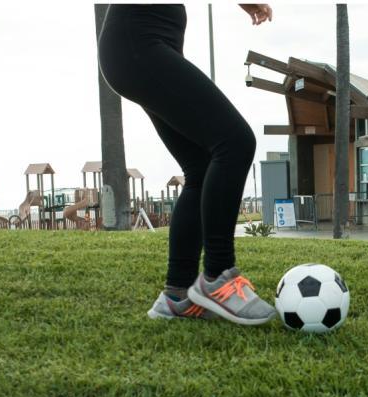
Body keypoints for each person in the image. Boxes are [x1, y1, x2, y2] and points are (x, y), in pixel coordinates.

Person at [98, 4, 277, 325]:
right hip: (138, 43)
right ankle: (218, 277)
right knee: (235, 142)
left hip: (143, 46)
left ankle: (176, 296)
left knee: (201, 166)